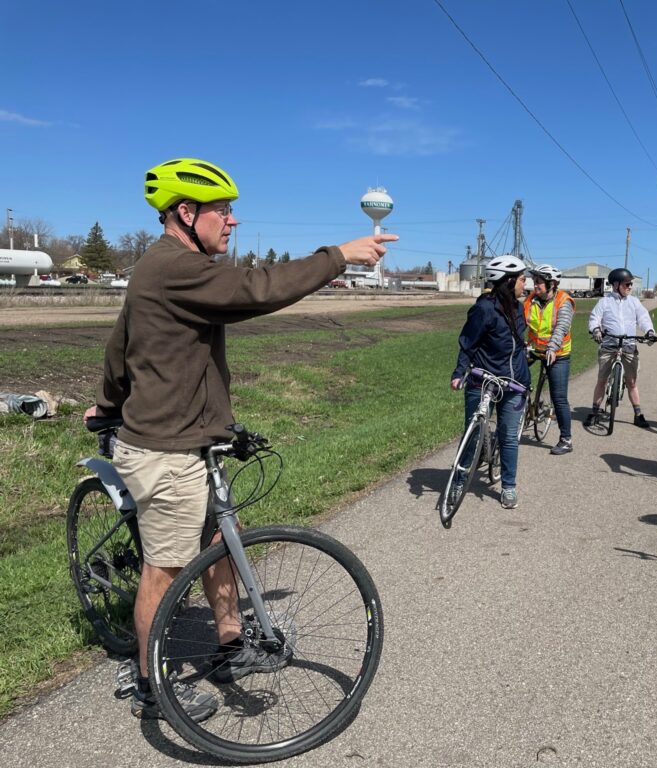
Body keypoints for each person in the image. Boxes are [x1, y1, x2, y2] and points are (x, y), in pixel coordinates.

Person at [85, 158, 396, 721]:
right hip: (168, 450)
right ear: (186, 212)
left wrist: (106, 403)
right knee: (166, 568)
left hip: (197, 441)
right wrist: (338, 256)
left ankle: (230, 643)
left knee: (223, 541)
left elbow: (119, 345)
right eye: (223, 211)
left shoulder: (167, 267)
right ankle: (152, 684)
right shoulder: (174, 267)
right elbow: (255, 289)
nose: (231, 221)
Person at [451, 256, 530, 509]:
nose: (524, 282)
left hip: (513, 383)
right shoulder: (483, 309)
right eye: (520, 278)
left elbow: (517, 347)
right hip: (483, 380)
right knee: (472, 435)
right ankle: (459, 480)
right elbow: (468, 343)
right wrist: (459, 371)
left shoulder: (519, 308)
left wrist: (524, 378)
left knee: (508, 436)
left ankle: (508, 487)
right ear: (508, 282)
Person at [585, 267, 656, 429]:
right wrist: (596, 329)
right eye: (627, 284)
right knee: (602, 380)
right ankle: (595, 412)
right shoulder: (604, 302)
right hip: (609, 345)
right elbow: (594, 318)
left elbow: (643, 318)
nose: (630, 287)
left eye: (631, 284)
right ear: (616, 285)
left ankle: (638, 414)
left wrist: (649, 332)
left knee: (631, 382)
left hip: (629, 345)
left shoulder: (634, 302)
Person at [523, 264, 574, 455]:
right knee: (513, 373)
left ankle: (566, 440)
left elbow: (562, 327)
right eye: (533, 282)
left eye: (538, 282)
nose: (534, 286)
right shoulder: (530, 300)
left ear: (551, 284)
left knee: (559, 397)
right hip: (535, 349)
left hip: (557, 353)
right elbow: (520, 323)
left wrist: (552, 347)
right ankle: (525, 407)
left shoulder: (563, 301)